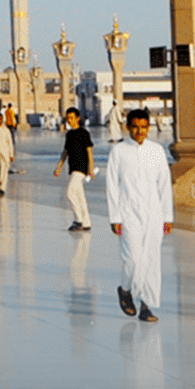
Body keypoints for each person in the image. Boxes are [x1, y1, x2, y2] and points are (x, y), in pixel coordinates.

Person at [105, 107, 173, 323]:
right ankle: (125, 290)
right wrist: (115, 217)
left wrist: (167, 216)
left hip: (154, 213)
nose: (140, 131)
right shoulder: (119, 151)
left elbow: (164, 185)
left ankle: (146, 305)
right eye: (135, 127)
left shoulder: (157, 150)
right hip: (128, 213)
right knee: (133, 260)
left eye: (144, 127)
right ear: (128, 127)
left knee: (151, 260)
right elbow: (112, 186)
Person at [53, 106, 93, 231]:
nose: (69, 120)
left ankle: (78, 220)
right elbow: (65, 152)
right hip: (72, 167)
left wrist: (91, 169)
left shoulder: (84, 133)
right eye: (68, 118)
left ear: (78, 118)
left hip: (81, 168)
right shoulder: (69, 134)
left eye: (72, 117)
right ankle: (86, 222)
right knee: (80, 196)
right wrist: (59, 167)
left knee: (70, 193)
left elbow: (89, 152)